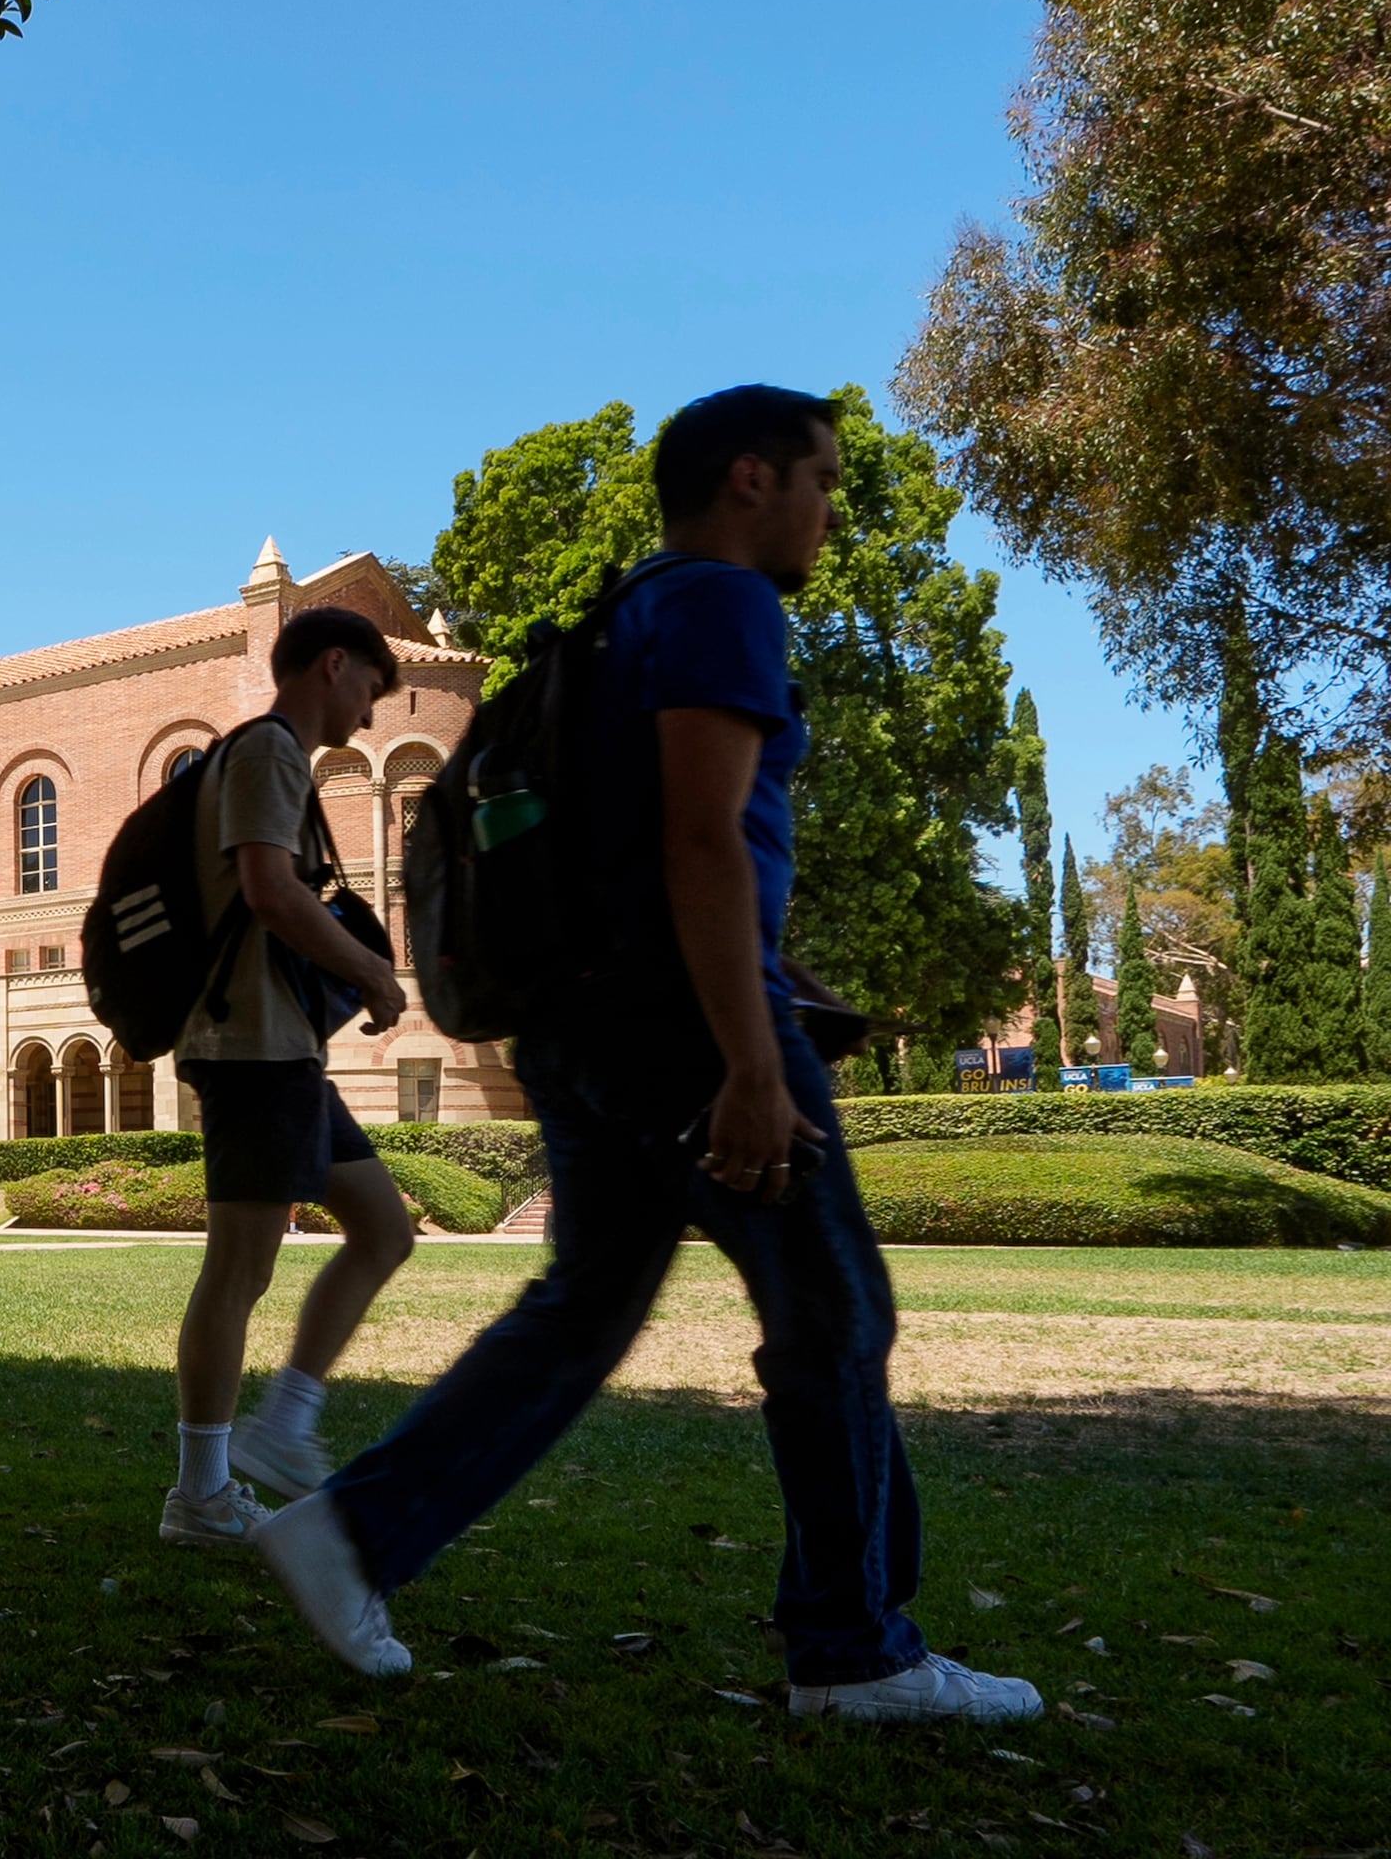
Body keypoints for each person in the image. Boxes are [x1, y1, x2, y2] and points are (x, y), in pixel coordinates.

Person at [254, 387, 1041, 1725]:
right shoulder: (725, 603)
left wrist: (771, 968)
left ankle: (354, 1535)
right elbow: (701, 838)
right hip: (683, 1029)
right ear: (751, 479)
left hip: (583, 1025)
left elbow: (643, 845)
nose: (830, 511)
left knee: (584, 1309)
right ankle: (856, 1652)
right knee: (835, 1313)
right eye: (821, 481)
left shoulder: (620, 617)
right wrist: (751, 1054)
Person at [154, 606, 417, 1550]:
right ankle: (202, 1492)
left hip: (285, 1052)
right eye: (370, 690)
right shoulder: (267, 752)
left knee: (384, 1229)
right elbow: (269, 891)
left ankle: (285, 1423)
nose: (372, 714)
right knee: (239, 1271)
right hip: (251, 1050)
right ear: (333, 665)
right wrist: (372, 970)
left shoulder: (276, 760)